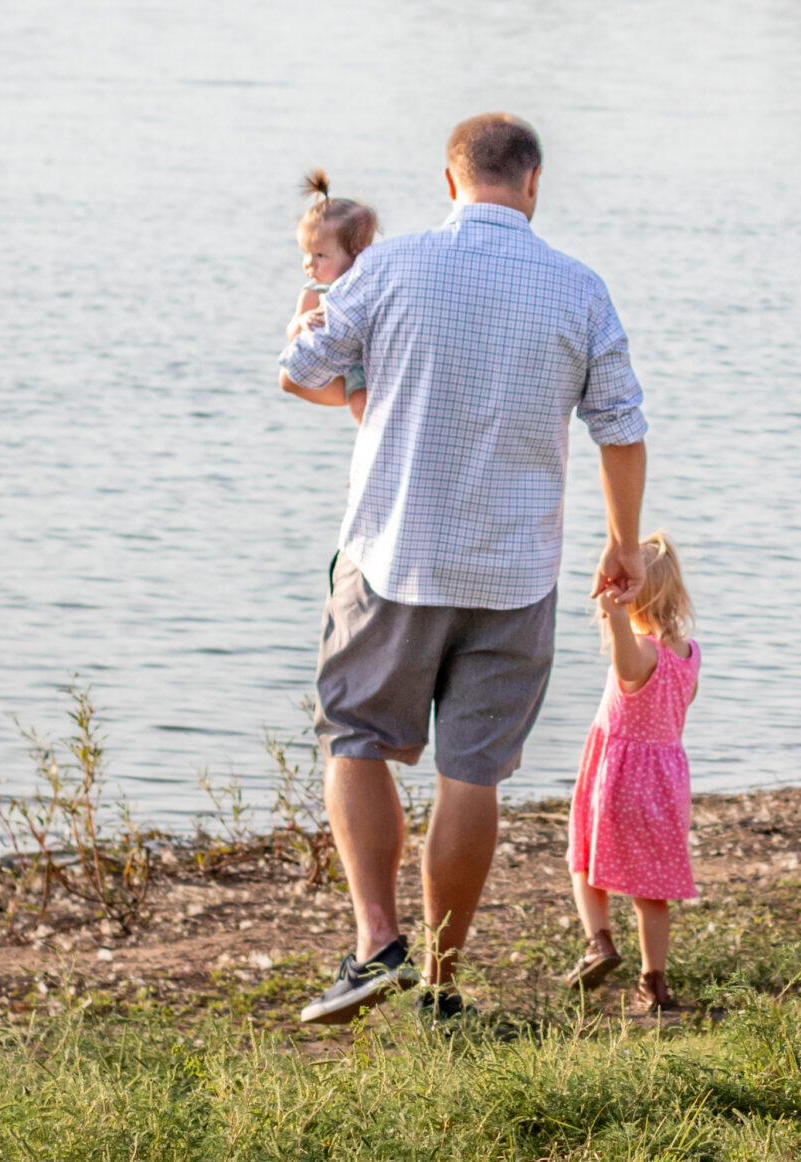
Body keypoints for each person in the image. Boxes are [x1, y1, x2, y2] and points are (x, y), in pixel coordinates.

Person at [277, 113, 649, 1024]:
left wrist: (361, 387)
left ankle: (376, 943)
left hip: (395, 555)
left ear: (450, 184)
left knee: (357, 737)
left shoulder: (391, 265)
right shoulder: (580, 289)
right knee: (470, 774)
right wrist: (623, 542)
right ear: (533, 184)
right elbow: (622, 426)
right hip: (516, 571)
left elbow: (299, 367)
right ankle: (441, 984)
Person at [558, 533, 700, 1015]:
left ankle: (598, 941)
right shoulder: (689, 655)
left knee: (584, 858)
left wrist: (616, 614)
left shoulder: (637, 654)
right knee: (651, 890)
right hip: (667, 781)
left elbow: (626, 662)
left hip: (617, 775)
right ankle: (653, 984)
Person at [282, 169, 378, 425]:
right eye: (306, 254)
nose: (309, 264)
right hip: (350, 368)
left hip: (379, 357)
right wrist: (302, 323)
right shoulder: (314, 293)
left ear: (357, 253)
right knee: (360, 403)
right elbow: (292, 332)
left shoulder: (369, 283)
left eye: (320, 256)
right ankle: (369, 435)